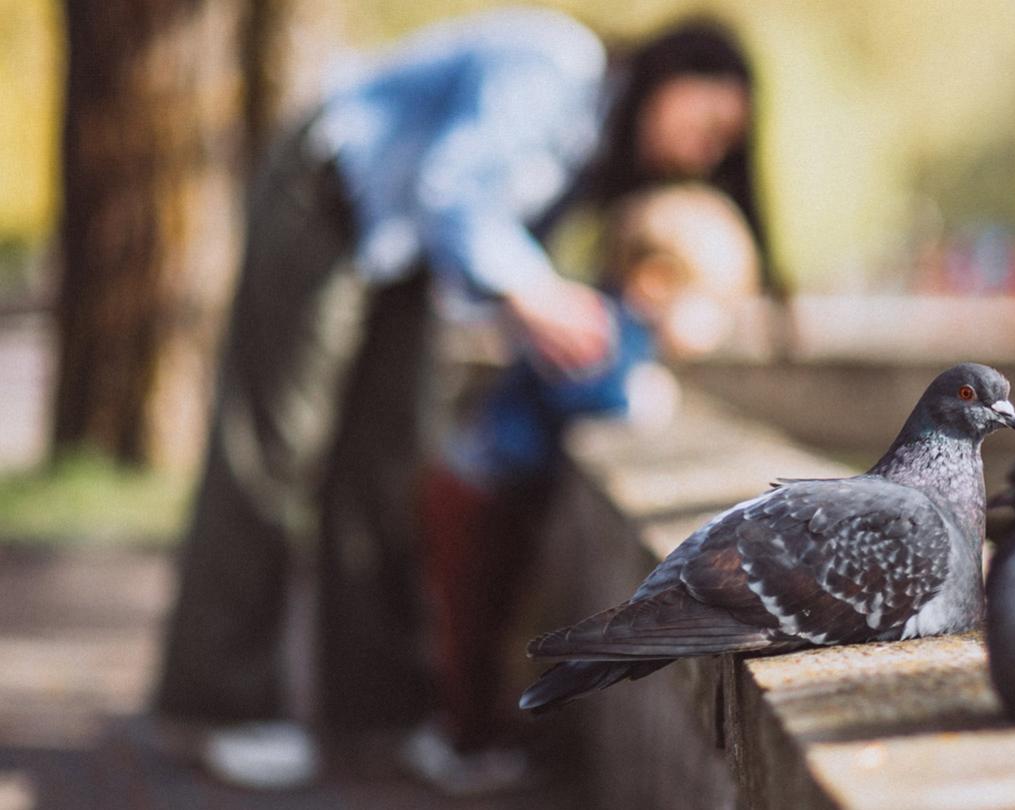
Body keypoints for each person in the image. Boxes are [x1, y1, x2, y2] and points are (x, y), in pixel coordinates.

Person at [151, 9, 772, 790]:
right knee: (274, 450)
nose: (705, 152)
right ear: (671, 75)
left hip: (400, 251)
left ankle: (379, 715)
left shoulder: (589, 159)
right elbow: (455, 187)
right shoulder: (558, 69)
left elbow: (482, 261)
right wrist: (536, 293)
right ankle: (215, 706)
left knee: (384, 471)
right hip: (329, 197)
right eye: (709, 122)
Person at [406, 184, 758, 794]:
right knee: (471, 621)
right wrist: (635, 398)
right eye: (713, 306)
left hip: (488, 488)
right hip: (476, 492)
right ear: (655, 281)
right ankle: (457, 742)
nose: (720, 325)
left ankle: (469, 733)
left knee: (487, 617)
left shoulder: (619, 327)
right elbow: (584, 392)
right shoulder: (601, 326)